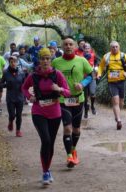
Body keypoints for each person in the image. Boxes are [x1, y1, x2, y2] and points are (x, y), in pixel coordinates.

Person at [22, 48, 70, 185]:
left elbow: (67, 92)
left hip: (55, 112)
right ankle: (45, 172)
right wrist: (29, 96)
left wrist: (59, 89)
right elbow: (24, 88)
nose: (45, 61)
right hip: (39, 111)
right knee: (46, 140)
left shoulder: (57, 75)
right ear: (39, 60)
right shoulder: (33, 76)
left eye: (47, 58)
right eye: (42, 58)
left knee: (51, 143)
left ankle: (47, 169)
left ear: (51, 59)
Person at [52, 37, 93, 168]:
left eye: (71, 44)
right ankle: (69, 156)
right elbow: (49, 77)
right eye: (66, 45)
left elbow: (91, 75)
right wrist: (55, 88)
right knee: (67, 128)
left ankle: (74, 149)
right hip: (63, 100)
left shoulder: (81, 60)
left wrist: (82, 84)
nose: (68, 46)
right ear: (62, 47)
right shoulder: (56, 62)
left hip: (78, 99)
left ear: (75, 46)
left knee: (76, 129)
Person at [97, 41, 126, 130]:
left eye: (116, 46)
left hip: (121, 81)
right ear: (110, 48)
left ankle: (117, 115)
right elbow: (101, 67)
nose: (115, 48)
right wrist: (99, 74)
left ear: (119, 47)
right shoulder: (106, 56)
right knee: (116, 101)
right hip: (112, 82)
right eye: (113, 47)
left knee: (121, 102)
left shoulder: (123, 56)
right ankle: (119, 120)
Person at [1, 55, 26, 137]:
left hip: (19, 97)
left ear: (17, 62)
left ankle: (18, 130)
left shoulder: (21, 72)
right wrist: (5, 85)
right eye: (11, 62)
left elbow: (25, 84)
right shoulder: (5, 72)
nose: (13, 63)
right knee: (12, 115)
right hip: (10, 98)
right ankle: (11, 121)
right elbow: (1, 84)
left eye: (15, 62)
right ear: (9, 63)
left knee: (19, 115)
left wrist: (24, 89)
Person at [82, 42, 99, 117]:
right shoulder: (80, 57)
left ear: (90, 49)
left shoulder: (93, 55)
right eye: (85, 48)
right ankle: (86, 110)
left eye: (88, 48)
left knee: (92, 92)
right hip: (84, 77)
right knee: (85, 96)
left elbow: (97, 62)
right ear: (83, 49)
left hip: (92, 76)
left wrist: (96, 67)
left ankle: (92, 106)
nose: (87, 50)